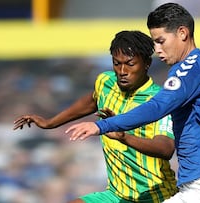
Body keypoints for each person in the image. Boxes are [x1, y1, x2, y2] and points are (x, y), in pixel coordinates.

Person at [65, 3, 200, 203]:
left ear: (182, 33)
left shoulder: (187, 70)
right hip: (191, 189)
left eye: (160, 41)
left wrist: (100, 126)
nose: (156, 49)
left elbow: (158, 106)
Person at [13, 30, 178, 203]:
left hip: (155, 196)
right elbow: (92, 100)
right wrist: (51, 123)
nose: (122, 71)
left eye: (130, 64)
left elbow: (165, 149)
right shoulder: (105, 82)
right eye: (117, 63)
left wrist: (123, 137)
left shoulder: (160, 100)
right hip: (116, 195)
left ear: (146, 64)